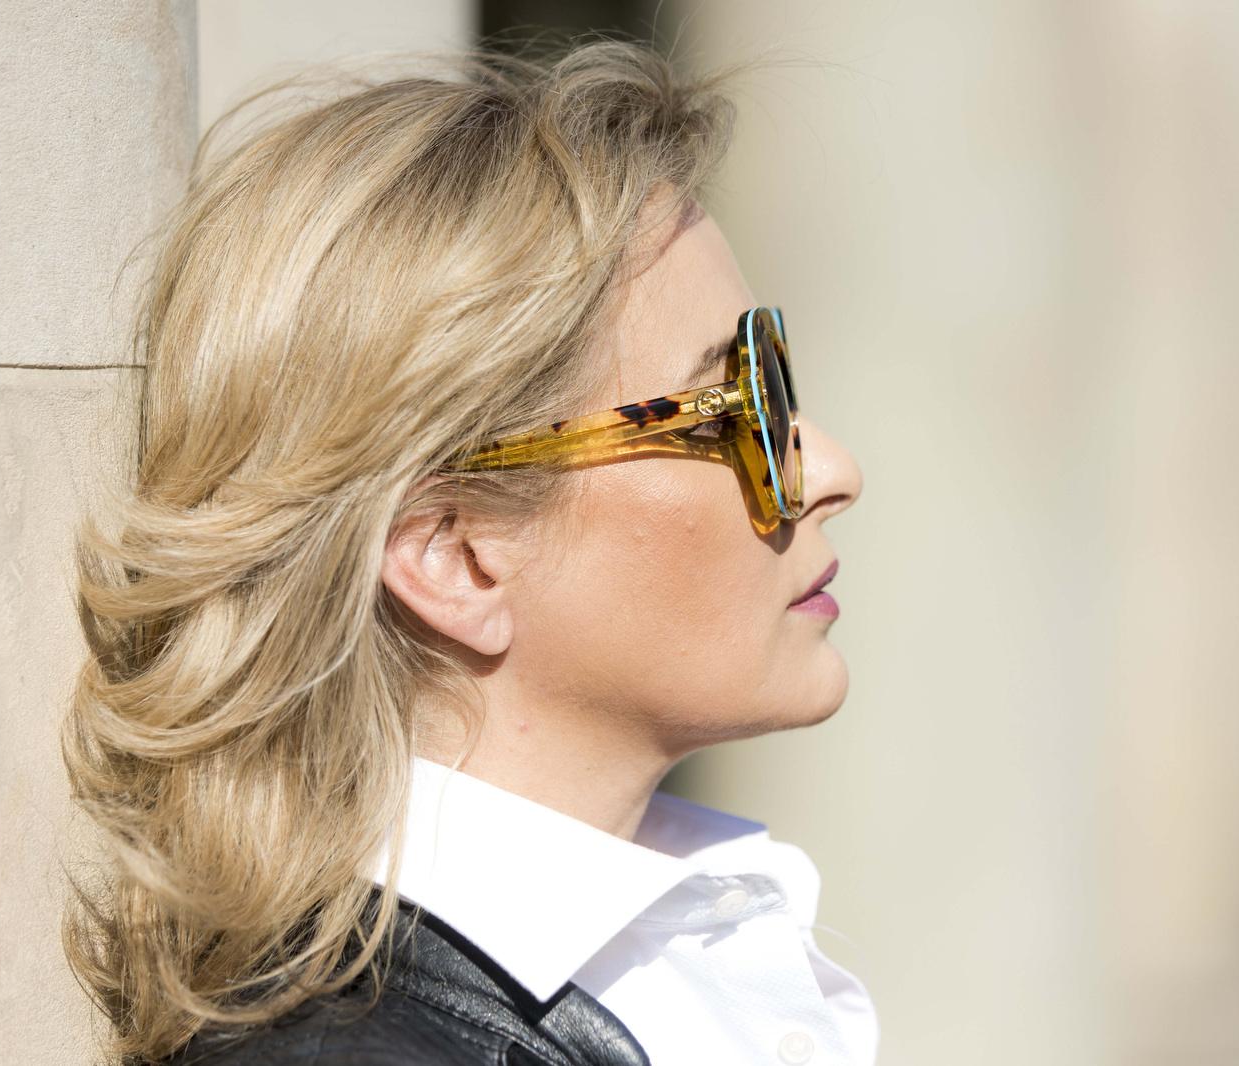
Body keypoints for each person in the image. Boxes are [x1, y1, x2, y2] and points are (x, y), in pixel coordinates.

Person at [62, 40, 873, 1066]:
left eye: (777, 380)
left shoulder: (682, 952)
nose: (830, 468)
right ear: (456, 556)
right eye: (733, 410)